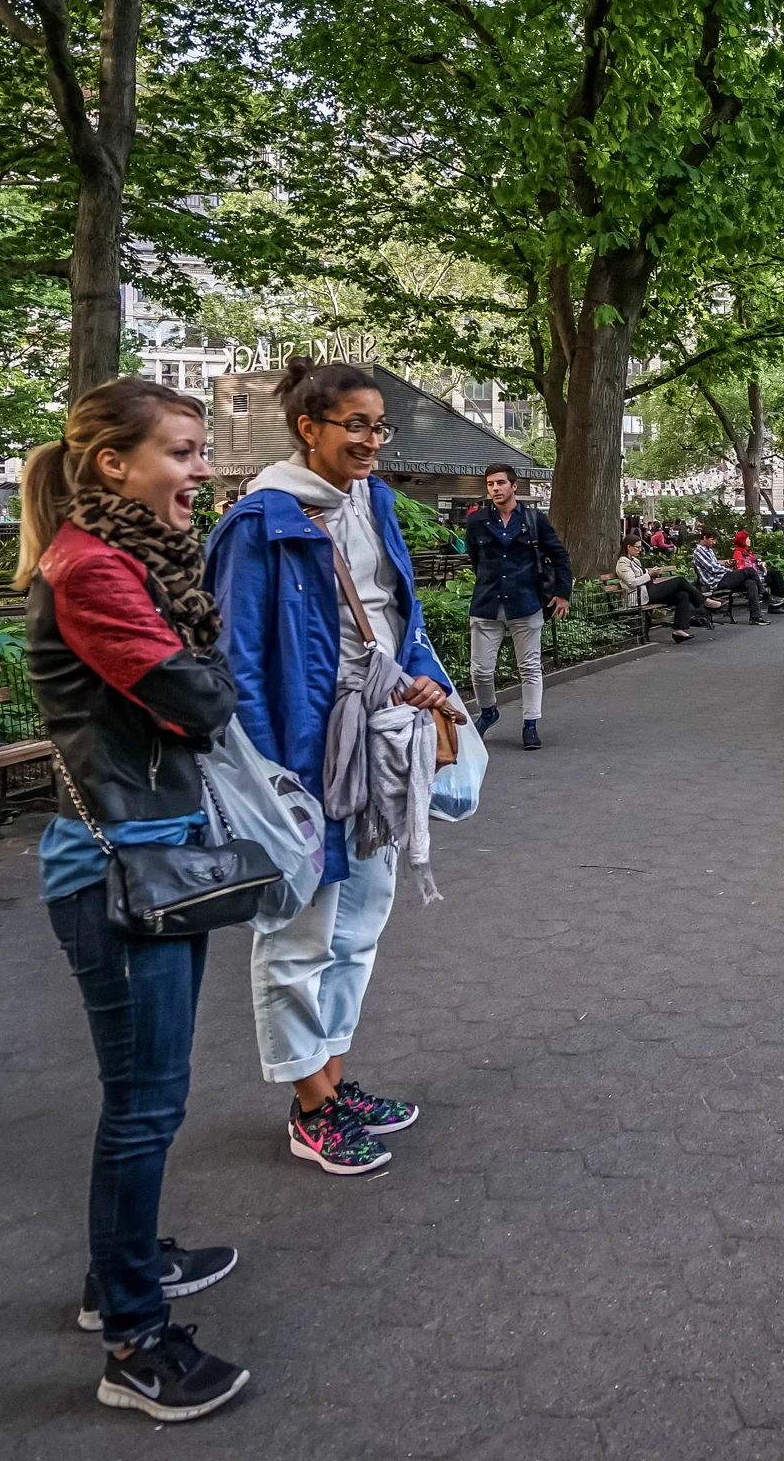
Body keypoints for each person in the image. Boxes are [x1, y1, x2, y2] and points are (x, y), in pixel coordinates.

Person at [18, 377, 249, 1420]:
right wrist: (205, 674)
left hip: (147, 850)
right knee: (147, 1103)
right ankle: (133, 1342)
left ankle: (123, 1271)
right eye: (186, 453)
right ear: (115, 464)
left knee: (148, 1095)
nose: (203, 472)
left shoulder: (122, 558)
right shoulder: (94, 569)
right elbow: (199, 699)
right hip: (122, 867)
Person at [205, 358, 452, 1178]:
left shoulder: (373, 501)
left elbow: (396, 616)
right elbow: (237, 660)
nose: (372, 441)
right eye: (356, 425)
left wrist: (424, 684)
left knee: (360, 921)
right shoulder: (257, 523)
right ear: (308, 427)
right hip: (304, 757)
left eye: (379, 427)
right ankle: (309, 1108)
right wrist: (272, 779)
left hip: (379, 739)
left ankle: (333, 1084)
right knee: (299, 929)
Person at [463, 464, 571, 750]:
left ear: (514, 486)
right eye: (490, 484)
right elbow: (475, 559)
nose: (495, 488)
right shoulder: (476, 521)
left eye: (500, 483)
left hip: (526, 603)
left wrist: (562, 594)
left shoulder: (534, 520)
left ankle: (530, 724)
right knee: (481, 670)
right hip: (486, 604)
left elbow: (559, 556)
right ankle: (488, 711)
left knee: (530, 668)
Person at [616, 534, 718, 641]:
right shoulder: (623, 562)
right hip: (639, 596)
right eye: (637, 547)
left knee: (683, 595)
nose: (640, 550)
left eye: (641, 547)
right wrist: (649, 575)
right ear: (628, 547)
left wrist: (653, 573)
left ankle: (679, 631)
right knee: (680, 581)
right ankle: (704, 601)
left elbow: (643, 575)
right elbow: (632, 582)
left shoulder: (635, 560)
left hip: (649, 590)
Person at [692, 525, 769, 623]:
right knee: (749, 570)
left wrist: (725, 563)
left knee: (751, 583)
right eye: (712, 540)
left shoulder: (709, 550)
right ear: (704, 538)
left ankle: (756, 617)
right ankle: (765, 595)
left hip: (722, 577)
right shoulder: (699, 551)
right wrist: (729, 570)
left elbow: (715, 564)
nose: (714, 542)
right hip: (716, 581)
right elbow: (712, 568)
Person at [731, 529, 784, 611]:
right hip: (751, 577)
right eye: (748, 539)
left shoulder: (746, 551)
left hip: (757, 574)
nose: (750, 540)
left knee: (776, 574)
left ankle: (780, 600)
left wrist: (760, 564)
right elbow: (742, 568)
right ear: (743, 540)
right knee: (773, 577)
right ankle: (779, 602)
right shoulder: (739, 553)